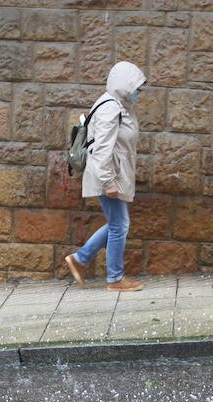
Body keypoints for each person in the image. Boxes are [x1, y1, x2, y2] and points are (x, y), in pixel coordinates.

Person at [64, 61, 147, 292]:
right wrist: (108, 182)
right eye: (136, 89)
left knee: (117, 224)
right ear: (125, 85)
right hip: (108, 175)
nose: (138, 94)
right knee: (120, 225)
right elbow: (102, 148)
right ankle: (114, 279)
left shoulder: (117, 104)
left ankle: (80, 260)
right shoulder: (112, 107)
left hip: (112, 172)